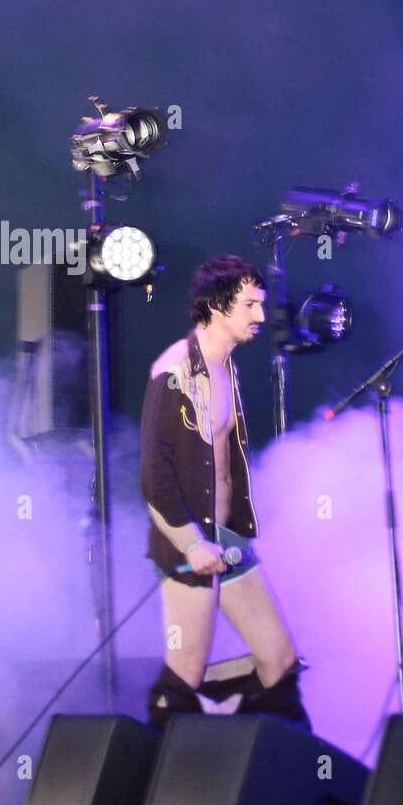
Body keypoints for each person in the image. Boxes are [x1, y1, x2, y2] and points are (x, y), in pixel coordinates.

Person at [139, 254, 309, 731]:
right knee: (183, 677)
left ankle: (280, 782)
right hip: (189, 544)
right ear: (217, 308)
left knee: (279, 661)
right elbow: (155, 474)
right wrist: (192, 543)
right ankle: (154, 785)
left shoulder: (224, 369)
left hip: (225, 541)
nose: (259, 315)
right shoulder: (173, 372)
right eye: (250, 305)